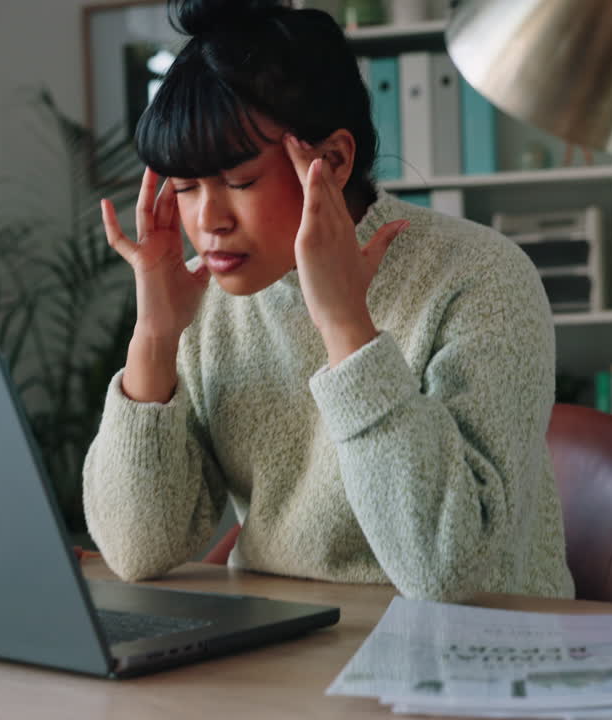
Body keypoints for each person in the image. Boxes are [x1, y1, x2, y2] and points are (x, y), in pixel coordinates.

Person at [82, 0, 574, 602]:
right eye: (185, 187)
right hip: (280, 655)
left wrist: (346, 324)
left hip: (477, 663)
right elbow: (137, 551)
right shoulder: (204, 301)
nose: (207, 220)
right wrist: (154, 338)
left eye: (238, 182)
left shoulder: (480, 278)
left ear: (333, 161)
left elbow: (449, 572)